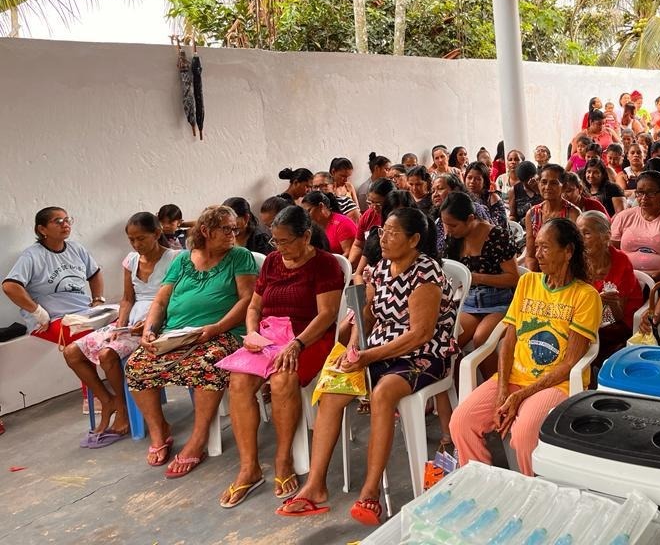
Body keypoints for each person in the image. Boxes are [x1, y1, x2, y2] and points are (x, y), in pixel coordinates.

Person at [279, 208, 457, 524]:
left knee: (384, 393)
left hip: (423, 354)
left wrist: (369, 357)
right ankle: (315, 485)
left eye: (392, 232)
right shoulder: (378, 270)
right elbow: (367, 316)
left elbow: (420, 334)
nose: (383, 238)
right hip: (377, 349)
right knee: (333, 390)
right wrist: (353, 347)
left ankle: (370, 492)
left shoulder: (426, 272)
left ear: (414, 239)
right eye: (382, 230)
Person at [450, 218, 601, 476]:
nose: (536, 254)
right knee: (461, 422)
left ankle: (532, 493)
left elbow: (569, 363)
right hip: (513, 378)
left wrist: (519, 395)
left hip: (556, 384)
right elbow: (509, 341)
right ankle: (481, 487)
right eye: (536, 246)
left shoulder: (586, 296)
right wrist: (501, 390)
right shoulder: (527, 283)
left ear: (567, 252)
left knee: (523, 436)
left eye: (545, 247)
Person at [221, 206, 343, 507]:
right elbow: (254, 307)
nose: (280, 248)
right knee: (238, 381)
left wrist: (297, 344)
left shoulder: (325, 264)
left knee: (282, 379)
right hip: (269, 336)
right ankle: (249, 468)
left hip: (309, 337)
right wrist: (251, 334)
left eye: (286, 241)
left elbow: (327, 315)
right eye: (275, 241)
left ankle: (283, 458)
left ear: (306, 236)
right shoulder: (273, 261)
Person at [125, 205, 257, 476]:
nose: (234, 233)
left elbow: (248, 300)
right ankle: (159, 430)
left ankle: (198, 440)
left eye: (235, 228)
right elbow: (161, 299)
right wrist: (151, 329)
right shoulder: (183, 260)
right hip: (176, 334)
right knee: (137, 365)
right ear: (206, 231)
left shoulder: (239, 257)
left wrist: (217, 327)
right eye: (226, 228)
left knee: (207, 365)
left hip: (220, 334)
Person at [62, 212, 178, 446]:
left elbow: (175, 299)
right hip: (131, 322)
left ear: (157, 234)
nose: (136, 244)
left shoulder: (176, 259)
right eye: (131, 239)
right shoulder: (131, 260)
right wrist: (120, 325)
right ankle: (108, 401)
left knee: (108, 354)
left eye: (141, 238)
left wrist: (150, 323)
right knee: (72, 352)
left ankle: (123, 409)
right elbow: (127, 299)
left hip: (159, 323)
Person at [3, 207, 104, 351]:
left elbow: (95, 274)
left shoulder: (76, 249)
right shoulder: (32, 255)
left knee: (121, 325)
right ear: (42, 229)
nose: (66, 224)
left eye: (68, 220)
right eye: (58, 221)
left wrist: (98, 300)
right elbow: (10, 286)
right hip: (53, 318)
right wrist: (38, 312)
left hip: (83, 311)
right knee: (93, 340)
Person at [440, 192, 518, 358]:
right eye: (445, 224)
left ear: (470, 219)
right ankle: (458, 383)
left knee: (482, 339)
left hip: (499, 302)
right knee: (449, 342)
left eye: (453, 225)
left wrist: (476, 278)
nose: (448, 230)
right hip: (469, 302)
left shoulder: (497, 236)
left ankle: (493, 383)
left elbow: (513, 278)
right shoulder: (455, 239)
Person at [578, 211, 643, 369]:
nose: (580, 239)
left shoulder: (620, 261)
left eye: (586, 233)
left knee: (583, 340)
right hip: (583, 320)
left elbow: (617, 316)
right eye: (577, 233)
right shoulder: (576, 261)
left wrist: (600, 303)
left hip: (615, 325)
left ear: (606, 236)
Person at [610, 170, 660, 279]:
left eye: (651, 193)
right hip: (626, 278)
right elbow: (611, 253)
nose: (644, 198)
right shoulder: (623, 217)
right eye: (640, 192)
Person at [524, 164, 582, 270]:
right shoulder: (532, 214)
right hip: (540, 270)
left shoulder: (573, 213)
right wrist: (535, 276)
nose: (547, 187)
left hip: (565, 270)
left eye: (554, 183)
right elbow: (531, 255)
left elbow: (576, 253)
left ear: (563, 187)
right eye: (544, 182)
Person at [347, 179, 397, 276]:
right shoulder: (369, 215)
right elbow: (358, 245)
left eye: (379, 204)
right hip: (368, 267)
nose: (373, 207)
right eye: (370, 202)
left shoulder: (397, 219)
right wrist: (349, 266)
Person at [301, 191, 358, 256]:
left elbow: (349, 253)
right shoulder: (310, 227)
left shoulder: (343, 223)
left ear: (321, 206)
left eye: (309, 211)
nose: (306, 215)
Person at [465, 160, 508, 228]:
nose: (472, 181)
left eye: (478, 179)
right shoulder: (464, 197)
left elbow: (500, 226)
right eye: (469, 178)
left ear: (484, 181)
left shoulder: (492, 198)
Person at [508, 160, 542, 224]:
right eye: (525, 182)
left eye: (531, 179)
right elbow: (513, 215)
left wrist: (538, 190)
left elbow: (550, 205)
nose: (529, 183)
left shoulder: (542, 186)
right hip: (523, 228)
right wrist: (511, 222)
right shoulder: (514, 190)